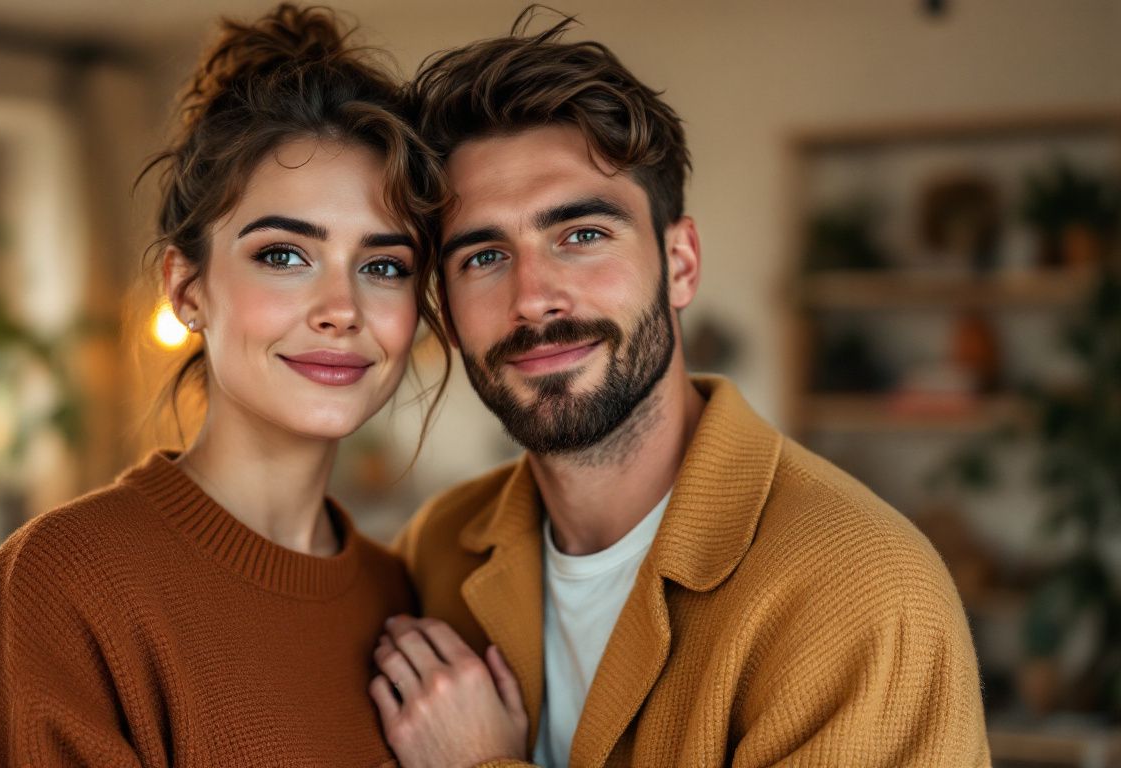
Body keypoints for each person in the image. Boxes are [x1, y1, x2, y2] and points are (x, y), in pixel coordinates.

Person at [370, 11, 991, 768]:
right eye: (483, 256)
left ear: (682, 263)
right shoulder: (437, 550)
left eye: (582, 236)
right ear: (447, 311)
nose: (534, 298)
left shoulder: (860, 588)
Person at [0, 5, 450, 766]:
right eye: (284, 255)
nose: (341, 310)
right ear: (187, 291)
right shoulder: (54, 596)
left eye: (383, 266)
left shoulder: (407, 603)